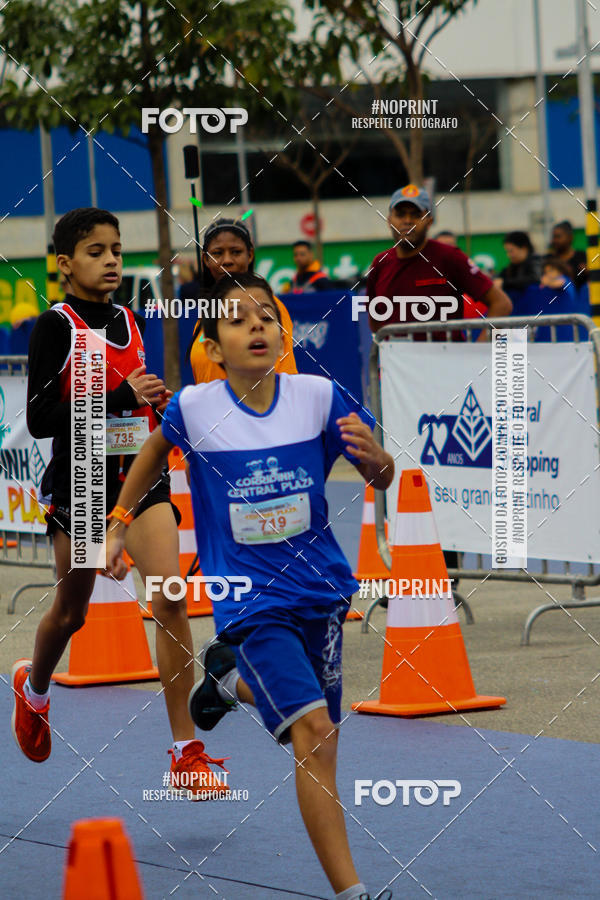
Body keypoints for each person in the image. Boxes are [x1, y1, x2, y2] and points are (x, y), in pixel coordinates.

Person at [105, 271, 395, 900]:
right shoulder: (195, 408)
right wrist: (118, 525)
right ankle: (354, 893)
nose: (257, 326)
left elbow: (382, 473)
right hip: (249, 597)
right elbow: (151, 456)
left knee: (322, 746)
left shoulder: (317, 396)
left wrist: (379, 463)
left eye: (267, 315)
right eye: (238, 320)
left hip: (320, 590)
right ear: (212, 346)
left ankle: (227, 682)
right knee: (312, 734)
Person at [11, 208, 229, 796]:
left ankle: (186, 751)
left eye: (117, 250)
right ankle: (35, 689)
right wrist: (116, 392)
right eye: (96, 251)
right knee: (72, 613)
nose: (111, 260)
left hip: (138, 477)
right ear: (65, 265)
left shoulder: (131, 320)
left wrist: (156, 403)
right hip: (80, 481)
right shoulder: (54, 326)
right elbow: (39, 418)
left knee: (171, 599)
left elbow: (135, 406)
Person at [366, 185, 512, 342]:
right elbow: (375, 316)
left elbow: (501, 304)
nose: (407, 221)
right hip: (398, 363)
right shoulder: (380, 263)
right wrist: (386, 347)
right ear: (389, 221)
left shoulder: (449, 257)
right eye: (400, 215)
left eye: (416, 215)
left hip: (445, 362)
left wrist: (477, 350)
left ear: (429, 221)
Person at [187, 218, 297, 383]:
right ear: (206, 259)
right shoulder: (207, 312)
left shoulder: (268, 308)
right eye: (217, 253)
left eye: (236, 252)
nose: (227, 260)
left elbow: (284, 377)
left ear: (250, 255)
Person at [547, 220, 587, 290]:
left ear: (570, 237)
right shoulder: (549, 259)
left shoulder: (582, 257)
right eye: (553, 237)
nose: (554, 240)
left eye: (558, 237)